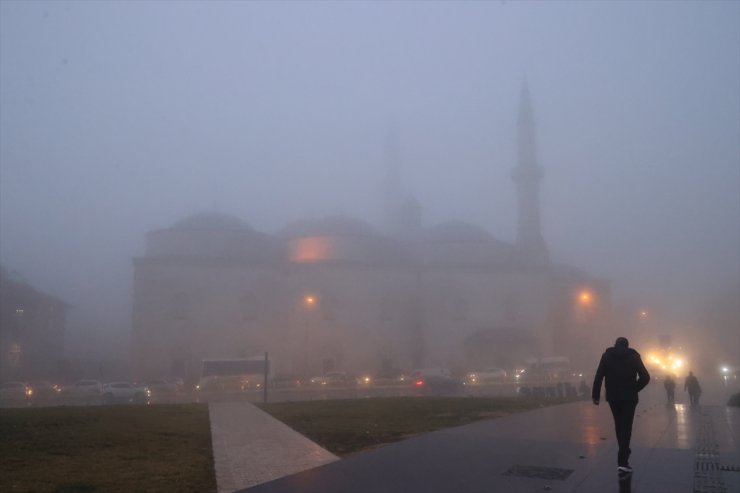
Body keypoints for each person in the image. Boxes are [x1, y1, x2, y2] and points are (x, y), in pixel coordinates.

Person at [592, 337, 650, 475]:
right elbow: (645, 377)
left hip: (613, 397)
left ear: (615, 344)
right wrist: (634, 388)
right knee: (626, 426)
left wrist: (595, 395)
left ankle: (624, 452)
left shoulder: (606, 356)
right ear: (627, 345)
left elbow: (599, 376)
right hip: (629, 398)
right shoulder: (634, 356)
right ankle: (623, 460)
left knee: (619, 425)